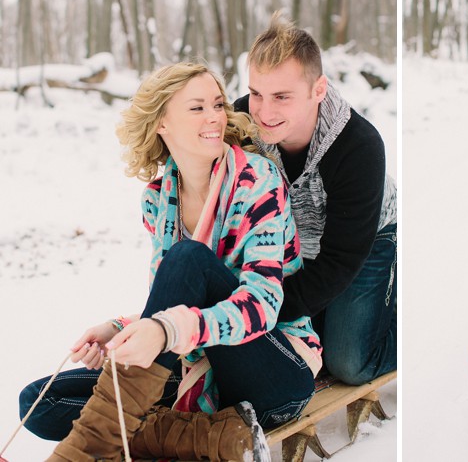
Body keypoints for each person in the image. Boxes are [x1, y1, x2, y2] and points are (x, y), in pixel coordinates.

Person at [19, 63, 319, 461]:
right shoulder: (159, 200)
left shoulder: (257, 181)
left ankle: (89, 450)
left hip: (274, 370)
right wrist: (119, 330)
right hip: (197, 361)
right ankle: (214, 436)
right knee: (40, 401)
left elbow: (262, 306)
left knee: (188, 257)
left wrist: (163, 332)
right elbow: (172, 301)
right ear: (162, 122)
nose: (214, 116)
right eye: (197, 108)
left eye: (217, 104)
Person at [233, 14, 397, 385]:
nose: (264, 111)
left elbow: (341, 259)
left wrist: (265, 308)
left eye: (282, 97)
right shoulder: (242, 122)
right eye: (257, 93)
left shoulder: (359, 146)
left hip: (366, 241)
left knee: (348, 363)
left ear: (318, 89)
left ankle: (401, 313)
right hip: (290, 244)